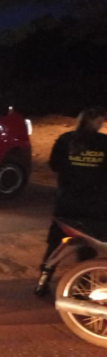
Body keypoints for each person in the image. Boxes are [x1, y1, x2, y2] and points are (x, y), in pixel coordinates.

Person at [35, 106, 107, 296]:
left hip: (66, 201)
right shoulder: (104, 142)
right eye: (101, 121)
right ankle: (82, 288)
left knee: (55, 242)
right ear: (95, 121)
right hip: (94, 204)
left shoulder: (65, 139)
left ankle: (42, 283)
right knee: (87, 244)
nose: (102, 125)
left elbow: (55, 165)